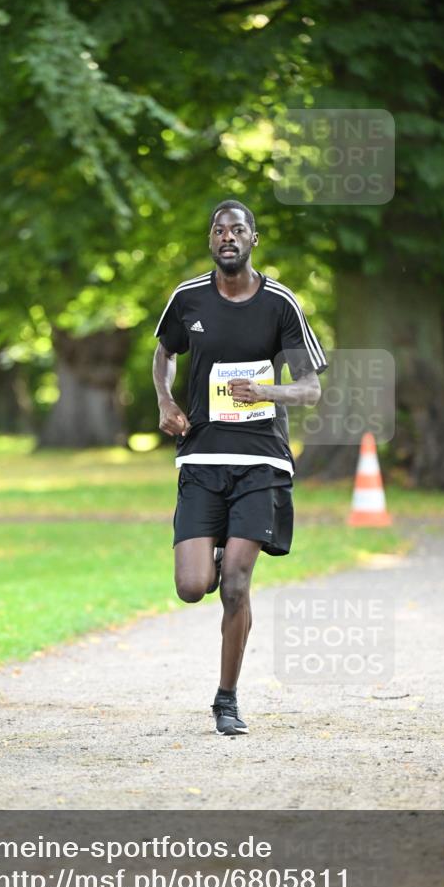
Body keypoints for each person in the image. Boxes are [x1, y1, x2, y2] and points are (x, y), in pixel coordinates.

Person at [152, 199, 327, 736]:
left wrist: (266, 390)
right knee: (192, 585)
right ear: (212, 240)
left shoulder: (280, 303)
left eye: (238, 230)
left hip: (260, 461)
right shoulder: (188, 298)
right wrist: (164, 400)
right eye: (219, 230)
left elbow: (311, 388)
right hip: (203, 457)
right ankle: (221, 547)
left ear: (253, 239)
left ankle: (226, 698)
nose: (227, 236)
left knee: (235, 586)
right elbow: (164, 354)